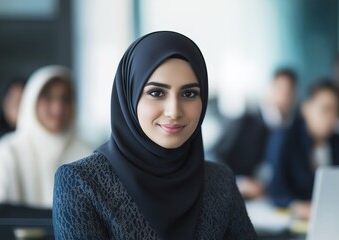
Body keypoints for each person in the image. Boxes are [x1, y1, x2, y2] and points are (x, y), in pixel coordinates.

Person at [53, 31, 256, 240]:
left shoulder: (219, 181)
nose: (174, 111)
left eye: (189, 94)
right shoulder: (81, 182)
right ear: (129, 97)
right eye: (156, 93)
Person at [0, 66, 92, 208]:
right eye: (48, 97)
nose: (58, 108)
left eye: (65, 99)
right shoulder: (8, 151)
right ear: (31, 100)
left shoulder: (88, 155)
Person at [268, 80, 339, 220]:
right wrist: (297, 205)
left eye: (336, 110)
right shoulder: (284, 139)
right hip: (299, 222)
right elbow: (276, 190)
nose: (332, 117)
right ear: (306, 108)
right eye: (325, 109)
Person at [211, 68, 298, 199]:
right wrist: (238, 182)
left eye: (289, 92)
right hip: (236, 195)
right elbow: (213, 156)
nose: (284, 97)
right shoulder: (245, 122)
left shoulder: (289, 129)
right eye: (280, 90)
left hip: (269, 199)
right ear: (270, 90)